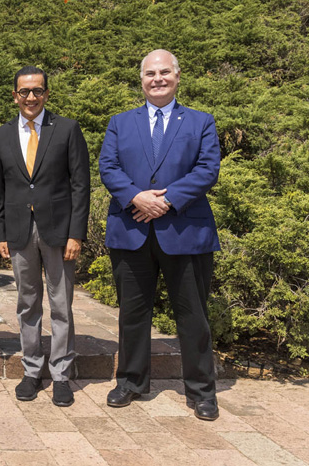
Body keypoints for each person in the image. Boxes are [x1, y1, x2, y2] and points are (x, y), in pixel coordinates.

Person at [99, 49, 221, 421]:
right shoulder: (120, 122)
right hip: (131, 230)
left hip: (185, 232)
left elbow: (207, 168)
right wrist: (136, 196)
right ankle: (131, 382)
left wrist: (166, 202)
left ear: (177, 76)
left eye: (164, 72)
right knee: (133, 314)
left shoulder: (201, 121)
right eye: (150, 73)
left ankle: (201, 391)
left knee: (193, 315)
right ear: (141, 79)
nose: (157, 79)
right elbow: (108, 166)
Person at [0, 66, 90, 407]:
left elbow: (80, 185)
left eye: (37, 91)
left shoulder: (66, 129)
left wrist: (77, 233)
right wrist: (0, 232)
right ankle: (32, 370)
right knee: (27, 303)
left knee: (61, 304)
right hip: (19, 231)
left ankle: (61, 373)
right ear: (14, 95)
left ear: (46, 93)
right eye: (24, 92)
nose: (31, 97)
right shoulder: (1, 135)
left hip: (59, 231)